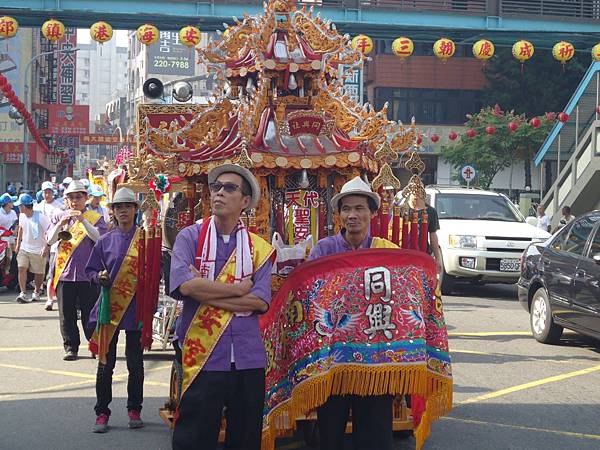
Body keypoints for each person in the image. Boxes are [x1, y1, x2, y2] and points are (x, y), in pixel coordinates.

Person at [170, 164, 274, 450]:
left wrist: (207, 292)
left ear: (245, 201)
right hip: (203, 353)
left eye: (230, 188)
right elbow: (185, 287)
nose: (219, 193)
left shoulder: (259, 248)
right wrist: (238, 290)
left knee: (245, 437)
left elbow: (260, 301)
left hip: (248, 356)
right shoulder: (189, 237)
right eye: (216, 187)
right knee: (195, 437)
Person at [308, 176, 398, 450]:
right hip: (333, 358)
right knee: (329, 432)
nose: (352, 215)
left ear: (372, 212)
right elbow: (311, 295)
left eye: (359, 208)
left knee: (375, 434)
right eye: (346, 209)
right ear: (339, 214)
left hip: (375, 360)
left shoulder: (388, 252)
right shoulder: (324, 250)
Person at [85, 187, 145, 433]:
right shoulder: (104, 241)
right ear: (113, 211)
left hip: (136, 310)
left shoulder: (146, 240)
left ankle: (134, 408)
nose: (123, 211)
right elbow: (90, 270)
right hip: (109, 309)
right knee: (105, 364)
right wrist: (98, 276)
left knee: (136, 364)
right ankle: (102, 412)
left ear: (135, 210)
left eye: (128, 206)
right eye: (119, 207)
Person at [47, 180, 108, 361]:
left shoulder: (94, 218)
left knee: (90, 313)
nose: (75, 201)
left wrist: (82, 221)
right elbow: (50, 240)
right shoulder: (59, 216)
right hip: (65, 274)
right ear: (66, 199)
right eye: (71, 197)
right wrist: (61, 225)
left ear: (86, 198)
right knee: (66, 315)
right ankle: (71, 347)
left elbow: (100, 238)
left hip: (87, 274)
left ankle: (93, 344)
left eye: (78, 197)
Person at [14, 193, 51, 303]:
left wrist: (46, 247)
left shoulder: (41, 217)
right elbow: (20, 228)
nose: (19, 208)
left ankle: (37, 292)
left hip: (38, 249)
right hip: (25, 248)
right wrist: (18, 244)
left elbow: (49, 232)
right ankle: (23, 293)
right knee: (21, 268)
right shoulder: (21, 216)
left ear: (24, 206)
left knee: (39, 273)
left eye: (20, 206)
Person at [37, 181, 65, 310]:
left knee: (53, 273)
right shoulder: (38, 206)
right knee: (44, 270)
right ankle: (48, 297)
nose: (47, 194)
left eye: (49, 191)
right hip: (41, 243)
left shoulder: (58, 207)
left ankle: (54, 298)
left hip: (56, 246)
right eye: (45, 192)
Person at [405, 192, 443, 275]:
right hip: (404, 254)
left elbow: (433, 235)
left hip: (423, 254)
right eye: (413, 190)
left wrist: (438, 258)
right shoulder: (403, 209)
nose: (416, 193)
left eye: (418, 190)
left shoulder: (431, 211)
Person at [0, 193, 18, 281]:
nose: (12, 203)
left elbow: (16, 225)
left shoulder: (13, 212)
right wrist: (6, 232)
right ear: (7, 203)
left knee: (14, 259)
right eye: (11, 202)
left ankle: (11, 277)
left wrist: (15, 231)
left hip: (12, 240)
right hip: (2, 242)